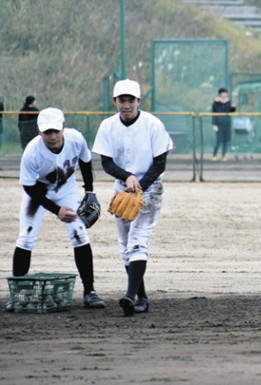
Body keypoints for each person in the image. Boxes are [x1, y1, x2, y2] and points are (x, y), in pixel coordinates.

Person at [7, 107, 106, 311]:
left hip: (66, 187)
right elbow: (29, 187)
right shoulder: (32, 152)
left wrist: (89, 192)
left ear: (63, 127)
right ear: (39, 131)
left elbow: (86, 162)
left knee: (79, 233)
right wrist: (56, 210)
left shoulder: (76, 139)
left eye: (55, 131)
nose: (52, 136)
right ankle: (17, 294)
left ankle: (90, 292)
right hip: (39, 190)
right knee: (26, 237)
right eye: (47, 132)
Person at [92, 79, 174, 316]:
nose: (126, 105)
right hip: (122, 189)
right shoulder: (107, 126)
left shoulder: (153, 125)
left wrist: (139, 186)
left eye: (131, 100)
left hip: (150, 188)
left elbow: (160, 163)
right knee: (126, 247)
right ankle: (141, 298)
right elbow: (106, 163)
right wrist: (127, 178)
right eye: (121, 100)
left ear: (139, 101)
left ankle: (129, 296)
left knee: (138, 241)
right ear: (114, 101)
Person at [211, 87, 236, 161]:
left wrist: (233, 108)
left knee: (226, 141)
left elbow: (231, 111)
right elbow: (213, 114)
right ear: (220, 94)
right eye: (223, 93)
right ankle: (214, 155)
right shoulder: (216, 103)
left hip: (227, 124)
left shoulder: (229, 102)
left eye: (226, 93)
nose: (225, 94)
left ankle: (223, 156)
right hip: (219, 125)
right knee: (219, 141)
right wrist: (214, 125)